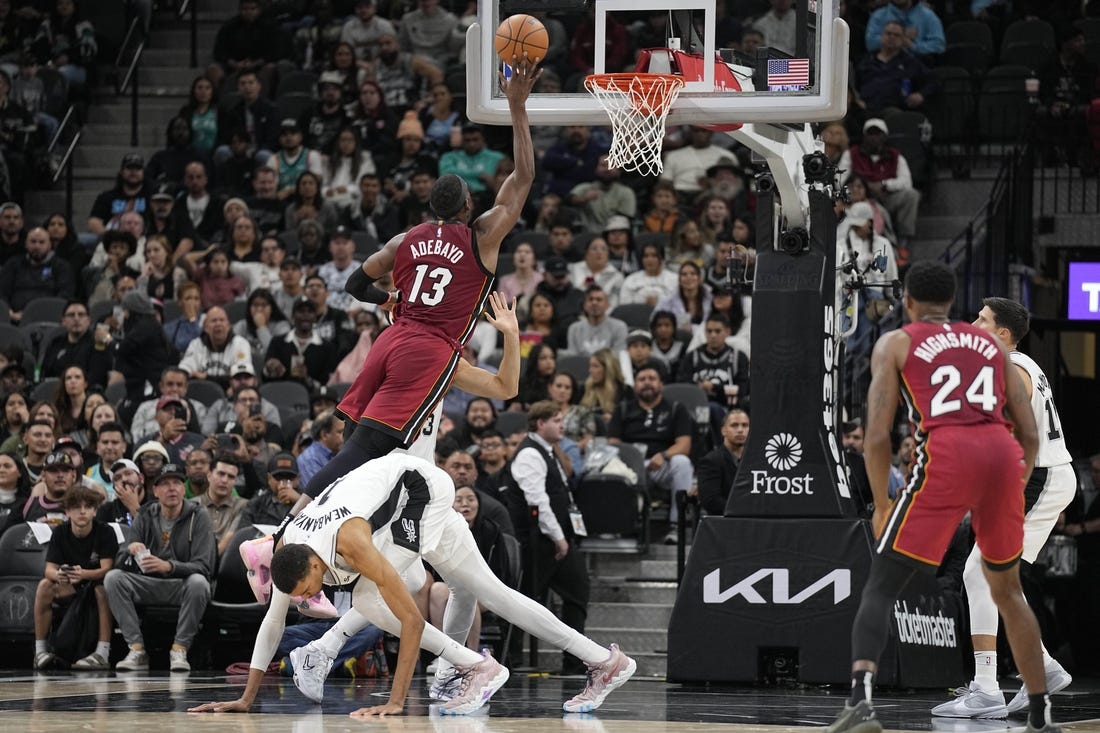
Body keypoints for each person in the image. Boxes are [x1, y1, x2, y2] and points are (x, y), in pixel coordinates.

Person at [192, 452, 635, 716]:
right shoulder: (290, 551)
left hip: (423, 491)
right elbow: (271, 623)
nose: (310, 598)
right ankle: (603, 661)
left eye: (310, 589)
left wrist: (397, 702)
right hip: (393, 492)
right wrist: (247, 698)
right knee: (492, 592)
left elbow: (409, 619)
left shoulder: (352, 542)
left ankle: (477, 667)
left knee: (370, 594)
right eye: (304, 596)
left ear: (314, 563)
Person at [823, 262, 1057, 733]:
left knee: (881, 586)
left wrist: (884, 507)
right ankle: (1038, 712)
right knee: (1009, 592)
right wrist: (1016, 482)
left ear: (908, 301)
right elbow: (1029, 435)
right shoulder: (994, 346)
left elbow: (876, 437)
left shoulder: (897, 341)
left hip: (948, 459)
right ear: (952, 304)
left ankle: (861, 704)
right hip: (999, 460)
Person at [294, 60, 540, 503]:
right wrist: (518, 107)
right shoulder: (482, 236)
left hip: (390, 339)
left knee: (353, 439)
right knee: (363, 453)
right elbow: (523, 178)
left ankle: (332, 522)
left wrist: (390, 297)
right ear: (469, 204)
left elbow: (353, 284)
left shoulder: (403, 239)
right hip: (429, 348)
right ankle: (294, 522)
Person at [931, 297, 1076, 718]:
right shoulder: (1015, 365)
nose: (973, 322)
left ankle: (986, 687)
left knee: (980, 572)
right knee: (997, 581)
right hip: (1041, 476)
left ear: (1002, 334)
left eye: (982, 319)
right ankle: (1041, 667)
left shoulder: (1011, 369)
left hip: (1038, 477)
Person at [104, 462, 216, 673]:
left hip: (180, 585)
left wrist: (169, 566)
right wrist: (131, 549)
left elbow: (204, 567)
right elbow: (120, 558)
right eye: (164, 484)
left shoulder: (199, 516)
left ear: (184, 489)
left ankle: (179, 649)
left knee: (199, 583)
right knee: (113, 578)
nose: (171, 488)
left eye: (176, 482)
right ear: (155, 491)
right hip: (148, 583)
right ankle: (136, 649)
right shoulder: (145, 514)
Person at [33, 483, 117, 671]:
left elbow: (107, 568)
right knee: (45, 585)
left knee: (103, 589)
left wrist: (83, 574)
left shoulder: (105, 531)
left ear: (95, 511)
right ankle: (39, 651)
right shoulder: (60, 532)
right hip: (70, 586)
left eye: (88, 507)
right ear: (67, 511)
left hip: (95, 586)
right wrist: (60, 575)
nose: (82, 512)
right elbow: (49, 569)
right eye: (76, 507)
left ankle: (102, 652)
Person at [607, 362, 692, 543]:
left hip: (661, 466)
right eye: (642, 379)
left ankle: (677, 525)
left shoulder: (676, 408)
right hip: (631, 467)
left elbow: (684, 444)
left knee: (682, 462)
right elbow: (613, 443)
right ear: (635, 385)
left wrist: (664, 455)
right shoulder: (623, 409)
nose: (647, 383)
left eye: (652, 379)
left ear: (661, 384)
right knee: (611, 466)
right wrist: (633, 458)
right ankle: (620, 526)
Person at [0, 226, 75, 321]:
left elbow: (65, 295)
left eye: (41, 242)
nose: (37, 246)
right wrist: (8, 312)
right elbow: (2, 292)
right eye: (33, 242)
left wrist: (39, 313)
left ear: (50, 245)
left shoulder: (62, 267)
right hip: (13, 318)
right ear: (26, 244)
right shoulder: (13, 264)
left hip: (49, 318)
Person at [697, 408, 748, 516]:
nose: (740, 430)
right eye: (734, 425)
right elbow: (710, 500)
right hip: (723, 523)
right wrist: (745, 509)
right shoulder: (710, 461)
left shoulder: (756, 460)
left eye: (745, 425)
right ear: (723, 431)